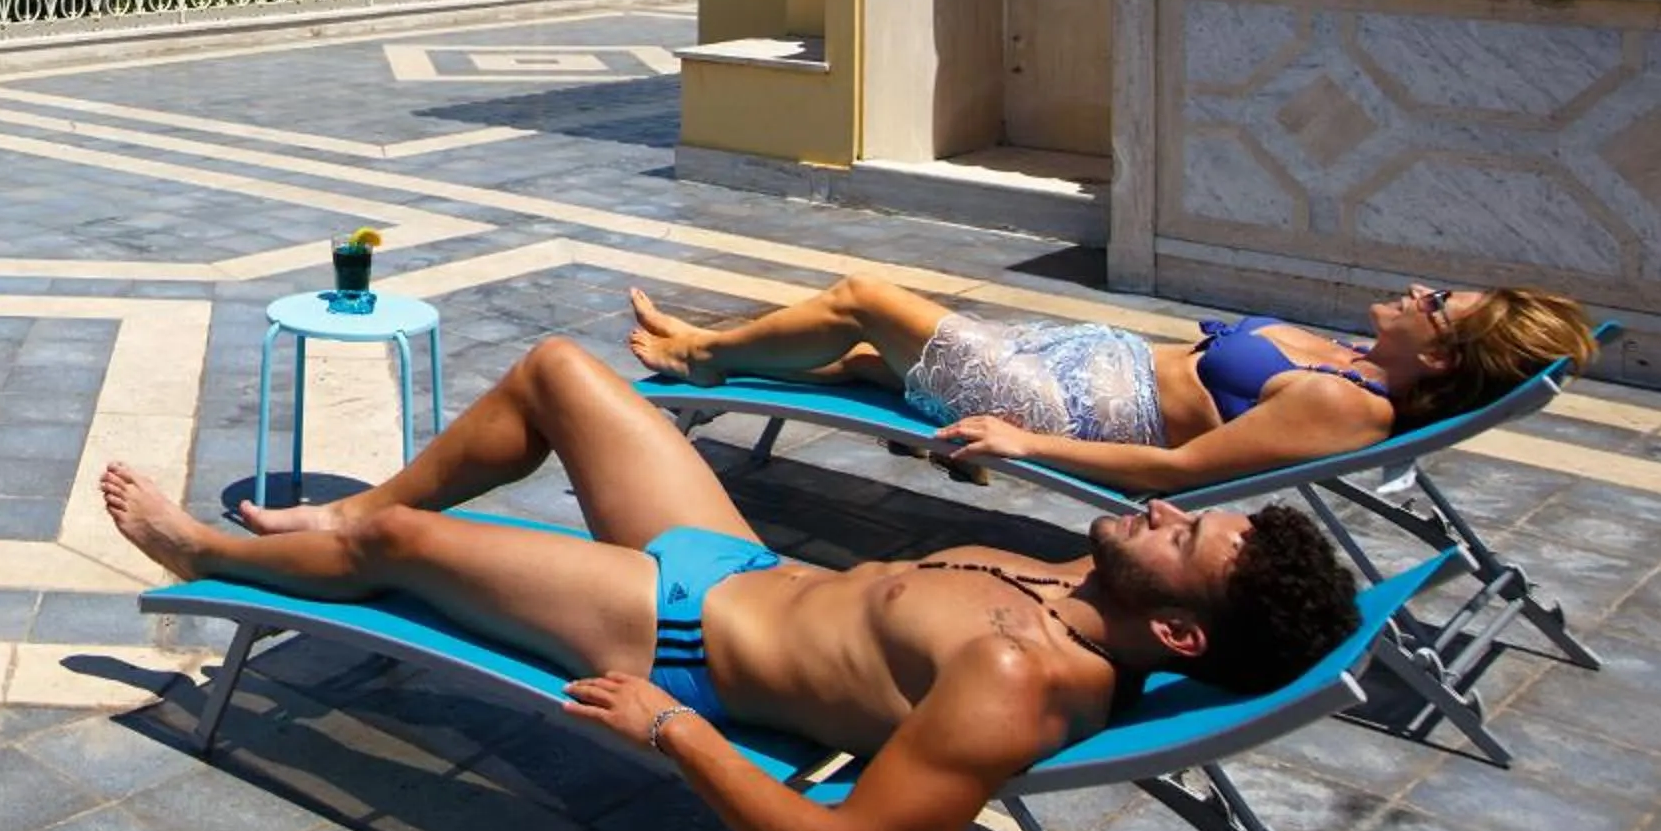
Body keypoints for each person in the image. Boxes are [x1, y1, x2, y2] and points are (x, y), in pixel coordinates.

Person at [102, 337, 1357, 831]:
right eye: (1192, 506)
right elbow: (1149, 484)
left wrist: (678, 730)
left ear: (1180, 628)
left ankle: (207, 555)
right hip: (742, 567)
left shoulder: (1020, 682)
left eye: (1190, 535)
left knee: (404, 542)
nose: (1169, 511)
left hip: (681, 636)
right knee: (556, 370)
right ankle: (334, 511)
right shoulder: (1092, 575)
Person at [625, 275, 1595, 493]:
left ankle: (695, 356)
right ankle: (710, 344)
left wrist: (1024, 443)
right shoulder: (1351, 365)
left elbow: (1177, 473)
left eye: (1437, 302)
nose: (1418, 288)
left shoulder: (1346, 402)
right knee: (876, 360)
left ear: (1436, 357)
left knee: (862, 299)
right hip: (1068, 363)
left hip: (1058, 405)